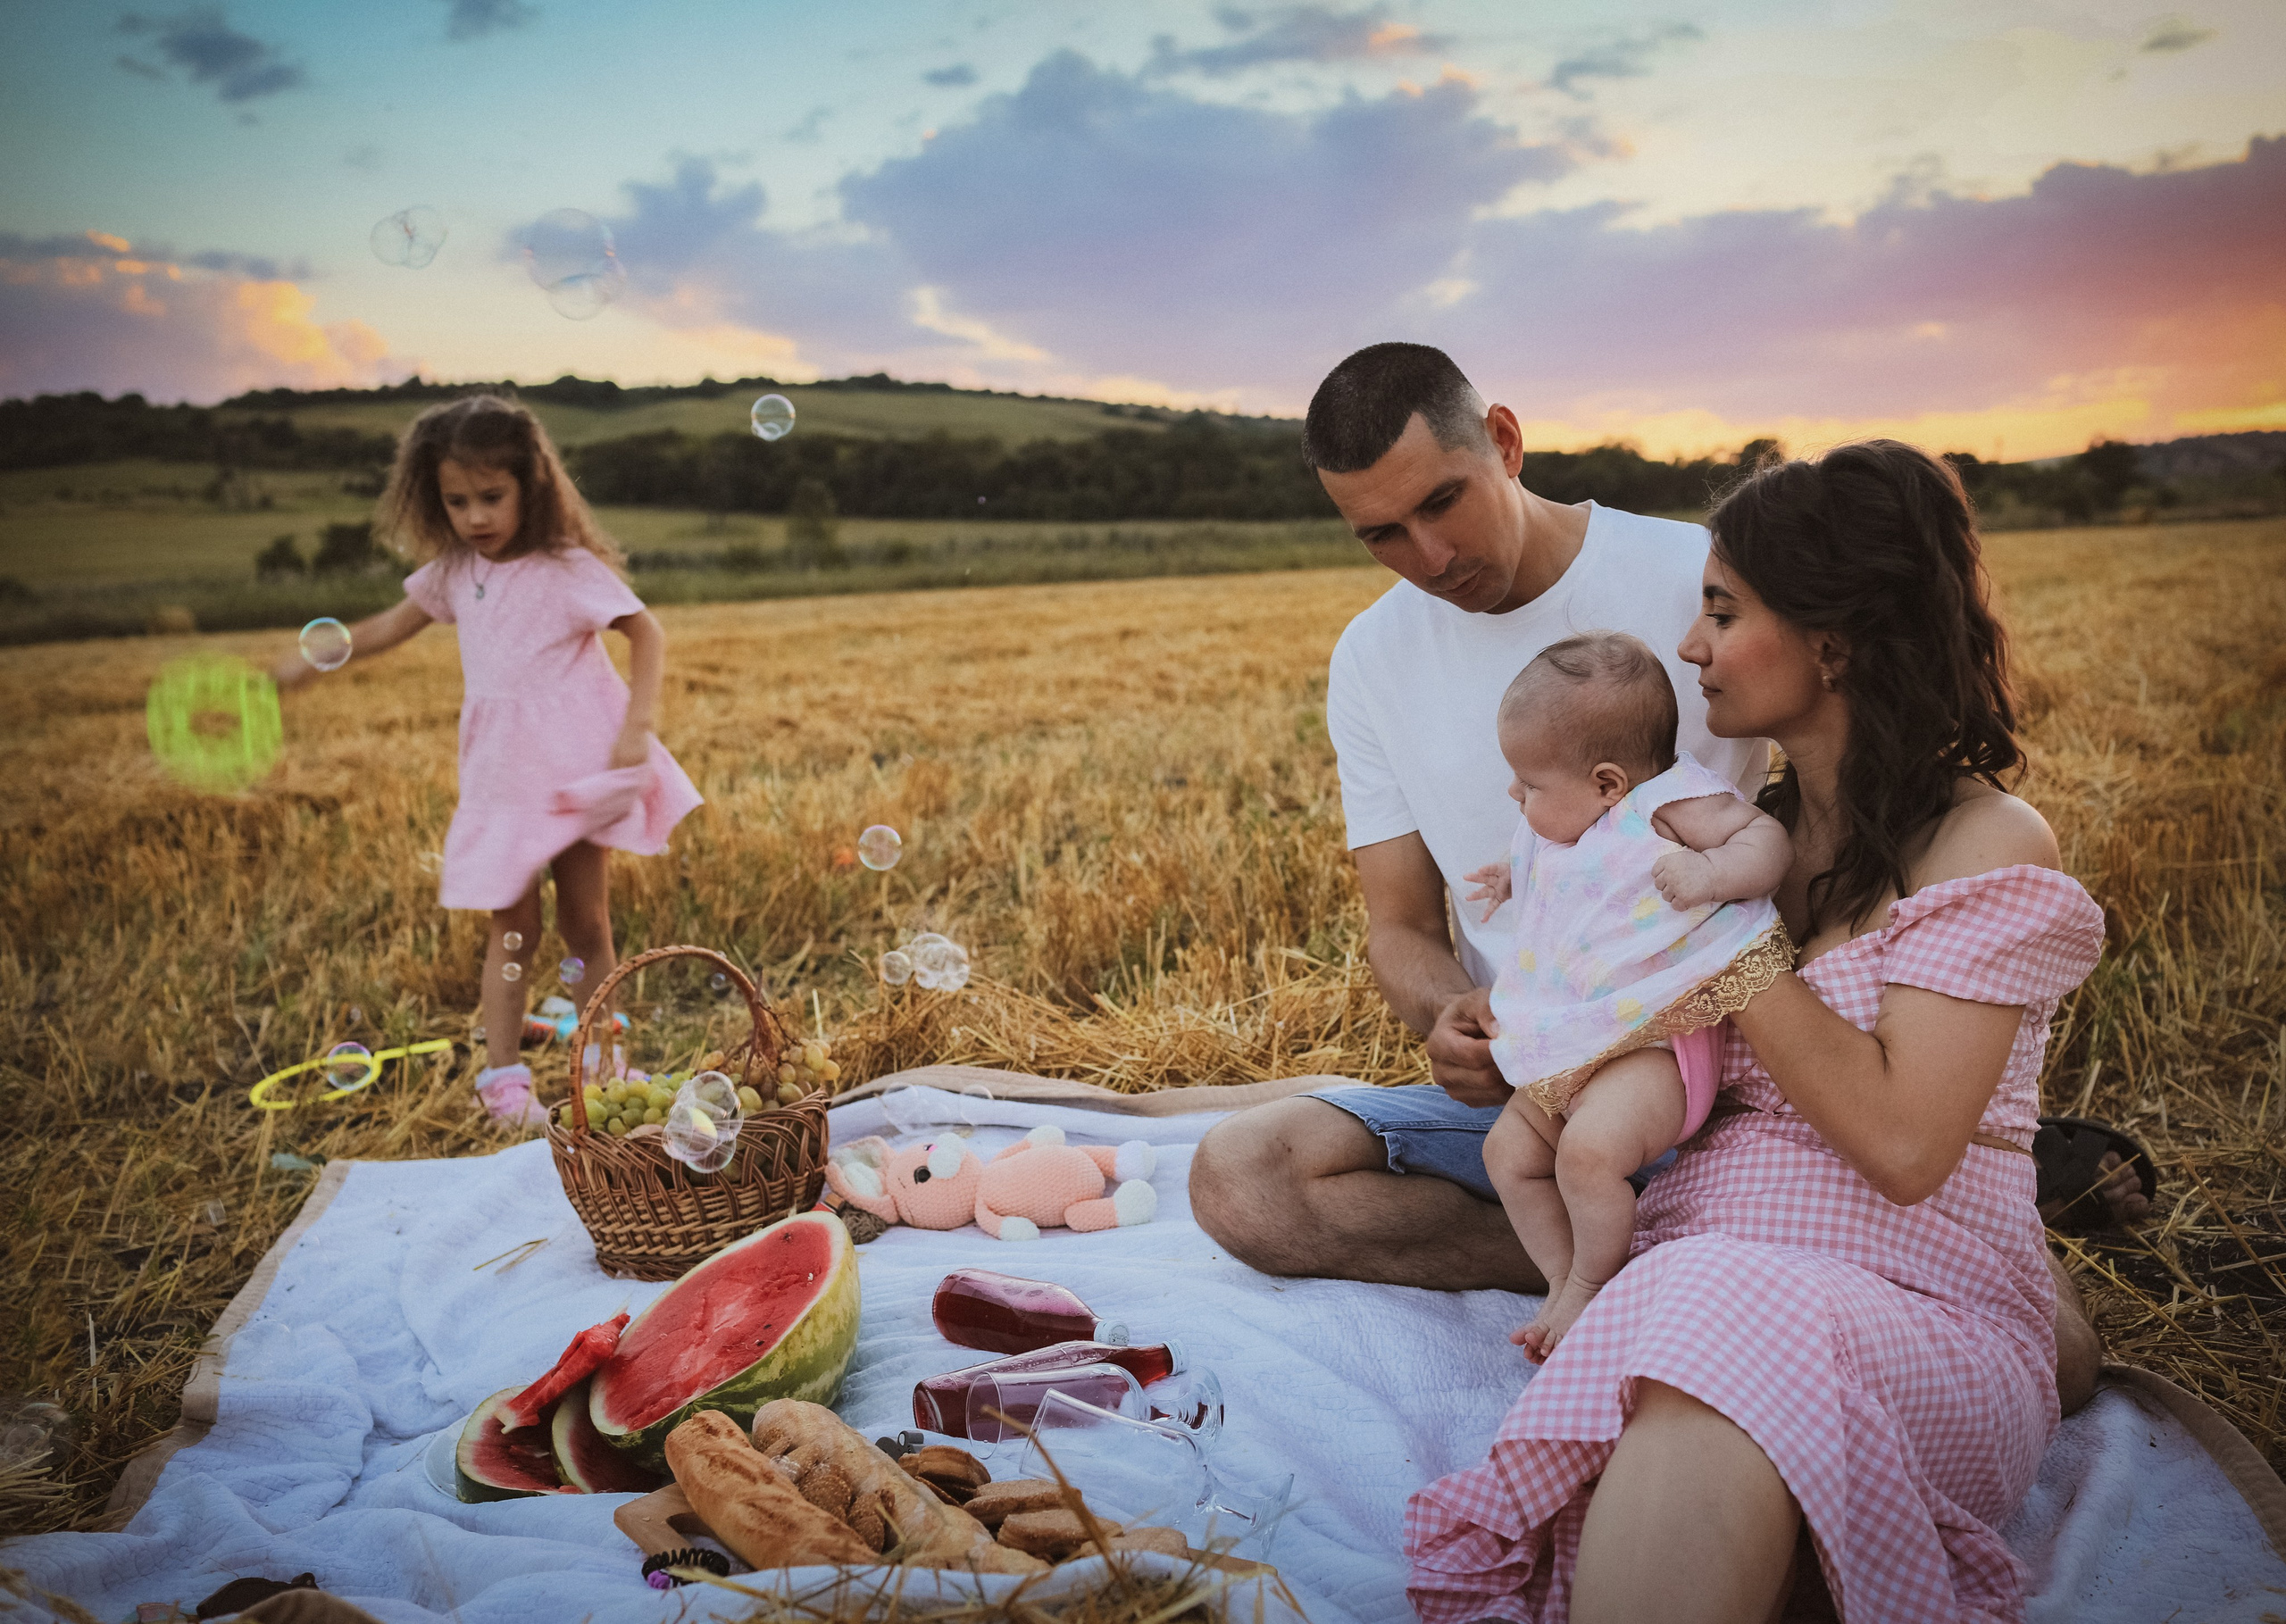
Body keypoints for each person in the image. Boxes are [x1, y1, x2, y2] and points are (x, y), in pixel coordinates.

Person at [1186, 342, 2138, 1415]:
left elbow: (1851, 795)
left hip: (1715, 1078)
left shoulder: (1696, 573)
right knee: (1244, 1180)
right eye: (1381, 535)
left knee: (2045, 1350)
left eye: (1443, 501)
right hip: (1548, 1067)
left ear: (1502, 441)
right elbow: (1399, 921)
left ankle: (1833, 1247)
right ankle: (1617, 1263)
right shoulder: (1369, 661)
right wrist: (1449, 1011)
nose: (1430, 551)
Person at [1403, 438, 2111, 1620]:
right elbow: (1637, 1035)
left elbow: (1900, 1146)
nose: (1690, 647)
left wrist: (1722, 948)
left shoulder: (1983, 844)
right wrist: (1529, 1022)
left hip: (1918, 1312)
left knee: (1716, 1307)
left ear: (1834, 638)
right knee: (1699, 1319)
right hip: (1692, 1281)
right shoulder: (1728, 842)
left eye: (1723, 612)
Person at [271, 394, 700, 1126]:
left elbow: (647, 632)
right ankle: (504, 1082)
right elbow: (382, 628)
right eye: (456, 500)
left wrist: (639, 725)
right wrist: (309, 660)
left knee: (587, 926)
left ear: (531, 486)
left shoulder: (567, 568)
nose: (475, 516)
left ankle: (604, 1058)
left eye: (491, 497)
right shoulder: (451, 572)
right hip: (504, 781)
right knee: (513, 932)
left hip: (570, 774)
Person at [1464, 633, 1792, 1360]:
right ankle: (1561, 1279)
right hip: (1575, 1038)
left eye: (1529, 782)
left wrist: (1712, 875)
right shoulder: (1567, 824)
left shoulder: (1668, 804)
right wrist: (1514, 874)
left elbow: (1764, 839)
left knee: (1586, 1156)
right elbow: (1580, 881)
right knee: (1508, 1152)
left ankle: (1590, 1282)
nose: (1515, 795)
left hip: (1653, 1042)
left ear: (1609, 784)